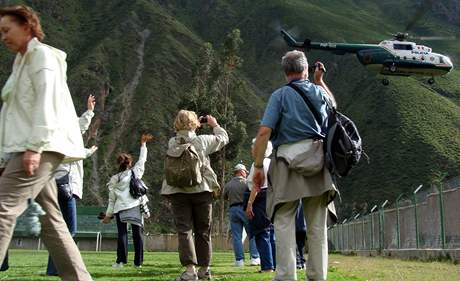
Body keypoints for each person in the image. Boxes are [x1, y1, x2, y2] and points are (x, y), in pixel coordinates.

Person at [0, 5, 92, 280]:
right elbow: (15, 116)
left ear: (27, 27)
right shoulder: (22, 62)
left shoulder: (42, 57)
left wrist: (34, 148)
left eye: (7, 30)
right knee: (51, 220)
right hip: (28, 148)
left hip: (40, 147)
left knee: (2, 207)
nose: (3, 37)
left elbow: (46, 104)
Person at [252, 50, 337, 281]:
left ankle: (286, 276)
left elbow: (264, 133)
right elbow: (334, 107)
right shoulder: (319, 92)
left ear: (285, 72)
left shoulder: (279, 96)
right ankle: (317, 277)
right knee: (317, 226)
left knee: (284, 221)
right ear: (305, 70)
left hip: (287, 161)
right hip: (318, 160)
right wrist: (320, 81)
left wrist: (259, 166)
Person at [161, 110, 228, 281]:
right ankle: (204, 270)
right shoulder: (202, 140)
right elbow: (223, 138)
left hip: (177, 192)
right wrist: (214, 125)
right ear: (195, 124)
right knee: (203, 231)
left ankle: (190, 271)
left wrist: (192, 126)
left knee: (184, 230)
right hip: (202, 191)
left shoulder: (172, 142)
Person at [46, 95, 98, 276]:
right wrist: (86, 153)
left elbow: (80, 126)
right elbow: (65, 153)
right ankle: (62, 269)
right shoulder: (60, 133)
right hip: (63, 184)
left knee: (61, 228)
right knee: (69, 229)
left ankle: (54, 269)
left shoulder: (60, 128)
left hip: (60, 184)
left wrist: (90, 111)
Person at [102, 133, 154, 268]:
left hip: (120, 208)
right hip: (135, 206)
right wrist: (143, 144)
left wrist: (108, 215)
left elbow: (111, 200)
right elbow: (142, 160)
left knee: (122, 234)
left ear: (118, 164)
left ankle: (120, 261)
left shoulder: (114, 179)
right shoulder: (135, 172)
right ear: (130, 163)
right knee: (138, 234)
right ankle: (138, 263)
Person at [245, 139, 276, 273]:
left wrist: (249, 204)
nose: (251, 149)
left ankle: (267, 266)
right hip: (272, 197)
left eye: (253, 147)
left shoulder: (258, 164)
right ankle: (274, 264)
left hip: (260, 199)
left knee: (261, 233)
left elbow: (256, 187)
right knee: (271, 234)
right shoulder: (271, 162)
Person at [223, 163, 260, 267]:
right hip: (245, 209)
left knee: (237, 237)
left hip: (233, 210)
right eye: (245, 172)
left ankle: (239, 261)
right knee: (252, 234)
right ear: (241, 172)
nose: (246, 174)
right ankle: (254, 258)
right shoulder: (246, 183)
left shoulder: (228, 184)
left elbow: (224, 197)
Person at [296, 202, 307, 270]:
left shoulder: (294, 203)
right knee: (301, 247)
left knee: (296, 247)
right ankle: (302, 263)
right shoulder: (304, 203)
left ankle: (298, 264)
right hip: (303, 228)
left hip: (296, 228)